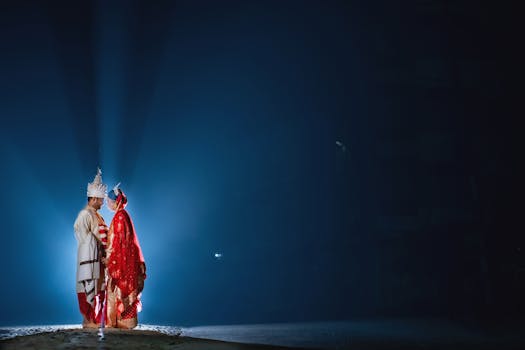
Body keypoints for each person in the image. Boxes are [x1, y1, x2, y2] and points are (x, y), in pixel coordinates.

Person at [105, 183, 146, 329]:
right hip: (126, 260)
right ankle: (126, 323)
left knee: (116, 289)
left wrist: (109, 257)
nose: (107, 204)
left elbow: (118, 242)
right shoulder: (123, 215)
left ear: (115, 201)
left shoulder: (120, 217)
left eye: (108, 201)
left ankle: (121, 323)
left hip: (121, 260)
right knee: (124, 291)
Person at [73, 168, 109, 328]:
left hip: (101, 263)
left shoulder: (97, 215)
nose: (102, 203)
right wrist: (97, 249)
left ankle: (97, 319)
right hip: (91, 263)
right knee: (89, 290)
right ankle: (88, 320)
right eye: (100, 200)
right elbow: (82, 237)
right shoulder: (84, 215)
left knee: (101, 290)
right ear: (94, 198)